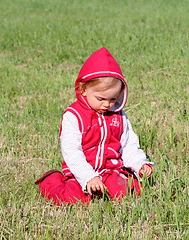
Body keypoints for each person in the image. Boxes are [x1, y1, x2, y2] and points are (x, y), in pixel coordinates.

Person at [35, 47, 153, 205]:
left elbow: (129, 145)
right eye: (101, 98)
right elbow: (71, 152)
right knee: (73, 199)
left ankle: (115, 185)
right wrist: (88, 177)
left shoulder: (118, 115)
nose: (107, 104)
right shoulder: (74, 116)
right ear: (83, 90)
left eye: (113, 99)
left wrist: (140, 164)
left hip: (111, 171)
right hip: (81, 173)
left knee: (131, 192)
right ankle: (51, 181)